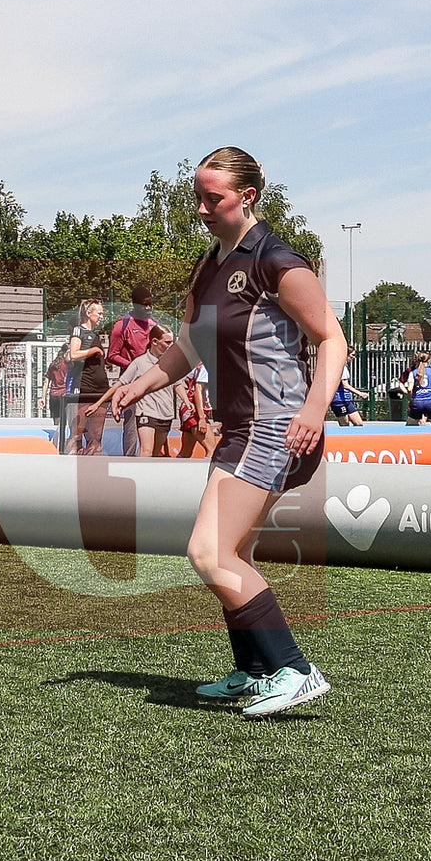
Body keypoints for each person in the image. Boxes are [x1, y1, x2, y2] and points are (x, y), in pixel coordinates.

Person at [113, 146, 343, 718]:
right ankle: (255, 670)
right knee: (231, 550)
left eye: (212, 198)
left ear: (247, 196)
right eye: (196, 196)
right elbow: (191, 346)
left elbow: (331, 340)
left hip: (277, 425)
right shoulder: (208, 266)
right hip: (239, 426)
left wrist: (314, 410)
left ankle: (293, 669)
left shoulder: (276, 262)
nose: (200, 208)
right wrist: (138, 385)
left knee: (209, 551)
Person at [86, 326, 176, 456]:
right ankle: (140, 473)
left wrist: (187, 402)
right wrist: (97, 404)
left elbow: (178, 385)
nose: (171, 345)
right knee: (146, 450)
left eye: (172, 342)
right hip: (146, 412)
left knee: (156, 453)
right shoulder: (139, 362)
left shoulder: (169, 362)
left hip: (164, 412)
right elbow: (119, 384)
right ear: (155, 341)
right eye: (167, 342)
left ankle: (151, 475)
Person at [105, 289, 161, 455]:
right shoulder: (122, 325)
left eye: (151, 304)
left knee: (156, 422)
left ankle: (156, 460)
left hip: (154, 381)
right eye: (145, 305)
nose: (149, 308)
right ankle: (130, 460)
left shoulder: (154, 325)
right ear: (135, 304)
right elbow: (112, 355)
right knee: (131, 425)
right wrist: (134, 366)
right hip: (131, 383)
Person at [65, 299, 108, 455]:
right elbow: (73, 354)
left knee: (96, 436)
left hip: (100, 387)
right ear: (89, 314)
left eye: (103, 313)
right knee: (78, 431)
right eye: (99, 313)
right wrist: (93, 351)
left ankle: (94, 467)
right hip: (84, 386)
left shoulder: (96, 333)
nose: (102, 316)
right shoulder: (79, 331)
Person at [176, 363, 218, 459]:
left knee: (185, 453)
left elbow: (188, 378)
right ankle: (207, 473)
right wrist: (201, 418)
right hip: (194, 411)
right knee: (212, 449)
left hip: (191, 410)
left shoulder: (201, 365)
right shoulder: (207, 366)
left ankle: (175, 472)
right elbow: (197, 390)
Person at [329, 346, 369, 426]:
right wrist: (360, 393)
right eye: (352, 355)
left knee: (359, 423)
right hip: (338, 401)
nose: (353, 357)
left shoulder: (345, 367)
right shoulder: (340, 367)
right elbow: (345, 385)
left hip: (347, 400)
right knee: (345, 425)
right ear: (346, 355)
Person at [405, 352, 431, 426]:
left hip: (418, 401)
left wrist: (410, 400)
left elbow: (409, 389)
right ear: (429, 360)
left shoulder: (413, 372)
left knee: (410, 426)